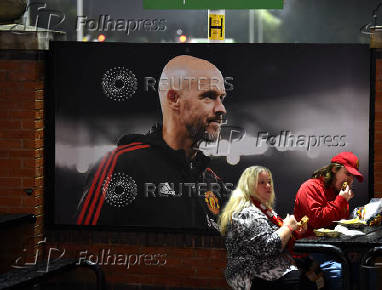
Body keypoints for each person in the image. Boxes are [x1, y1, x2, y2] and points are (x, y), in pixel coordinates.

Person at [75, 55, 231, 230]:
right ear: (174, 99)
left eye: (221, 98)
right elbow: (82, 245)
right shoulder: (122, 165)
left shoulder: (212, 181)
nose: (221, 109)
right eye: (209, 96)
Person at [219, 166, 307, 290]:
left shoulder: (263, 209)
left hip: (271, 268)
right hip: (252, 274)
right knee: (305, 283)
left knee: (310, 276)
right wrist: (287, 227)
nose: (268, 186)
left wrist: (294, 230)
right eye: (261, 182)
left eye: (269, 182)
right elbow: (268, 247)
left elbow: (273, 238)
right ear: (249, 186)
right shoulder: (247, 212)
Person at [293, 151, 364, 289]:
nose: (350, 180)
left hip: (334, 247)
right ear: (334, 169)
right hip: (310, 247)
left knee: (365, 266)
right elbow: (317, 220)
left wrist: (352, 248)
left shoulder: (339, 193)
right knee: (339, 272)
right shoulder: (310, 187)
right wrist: (341, 201)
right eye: (347, 174)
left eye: (353, 176)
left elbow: (340, 226)